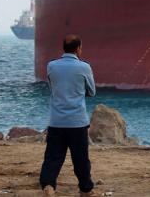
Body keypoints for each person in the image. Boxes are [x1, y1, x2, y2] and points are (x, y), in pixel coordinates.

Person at [39, 35, 96, 197]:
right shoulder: (84, 67)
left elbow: (52, 88)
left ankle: (49, 186)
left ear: (63, 48)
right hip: (77, 122)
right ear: (78, 49)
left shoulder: (51, 66)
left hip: (56, 121)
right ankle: (85, 190)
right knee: (81, 158)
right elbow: (92, 92)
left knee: (52, 156)